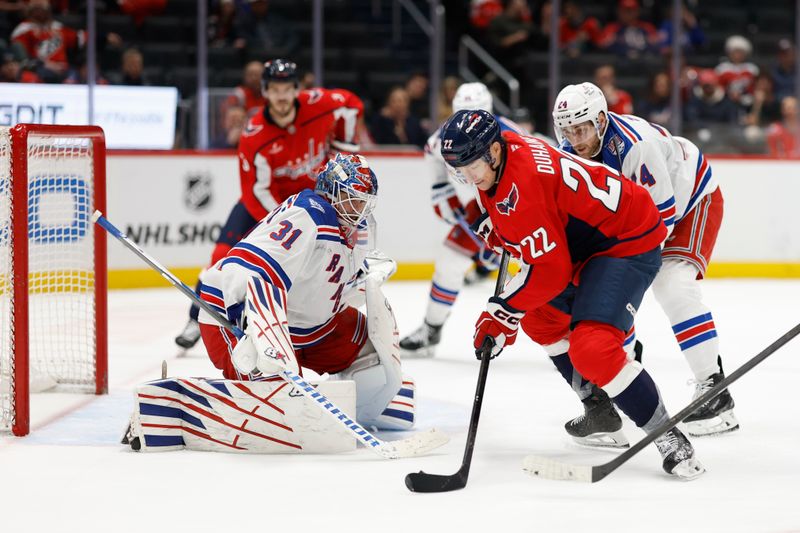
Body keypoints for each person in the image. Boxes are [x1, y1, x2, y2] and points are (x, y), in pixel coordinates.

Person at [439, 108, 704, 480]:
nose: (467, 178)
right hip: (585, 240)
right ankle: (599, 408)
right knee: (539, 315)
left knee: (592, 348)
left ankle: (668, 435)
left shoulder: (521, 184)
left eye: (471, 167)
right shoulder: (504, 151)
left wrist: (502, 311)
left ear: (494, 152)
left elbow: (550, 272)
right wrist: (506, 232)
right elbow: (538, 221)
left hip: (625, 240)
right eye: (459, 170)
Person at [552, 82, 738, 438]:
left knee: (671, 283)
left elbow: (661, 221)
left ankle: (714, 390)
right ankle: (620, 388)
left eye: (583, 128)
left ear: (601, 120)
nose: (576, 138)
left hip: (690, 202)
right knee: (603, 290)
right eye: (568, 130)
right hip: (634, 219)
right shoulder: (569, 152)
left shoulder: (635, 147)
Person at [197, 153, 414, 430]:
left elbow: (325, 279)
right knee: (281, 409)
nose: (360, 208)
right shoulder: (310, 212)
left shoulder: (351, 229)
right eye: (353, 197)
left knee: (374, 362)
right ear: (331, 191)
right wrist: (248, 321)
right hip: (236, 315)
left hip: (301, 327)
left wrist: (361, 280)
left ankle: (355, 407)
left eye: (364, 201)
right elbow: (248, 268)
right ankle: (212, 409)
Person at [174, 59, 364, 348]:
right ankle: (196, 318)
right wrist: (281, 221)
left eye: (287, 89)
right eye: (275, 90)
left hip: (314, 205)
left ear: (297, 89)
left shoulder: (318, 104)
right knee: (221, 256)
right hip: (265, 207)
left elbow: (351, 105)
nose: (282, 96)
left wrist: (344, 148)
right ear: (265, 91)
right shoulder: (255, 135)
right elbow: (255, 193)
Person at [399, 82, 529, 357]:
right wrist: (440, 188)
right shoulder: (445, 137)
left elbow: (529, 177)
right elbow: (432, 151)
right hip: (482, 205)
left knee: (539, 270)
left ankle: (570, 334)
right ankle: (431, 328)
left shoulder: (511, 136)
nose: (468, 125)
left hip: (516, 205)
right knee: (450, 260)